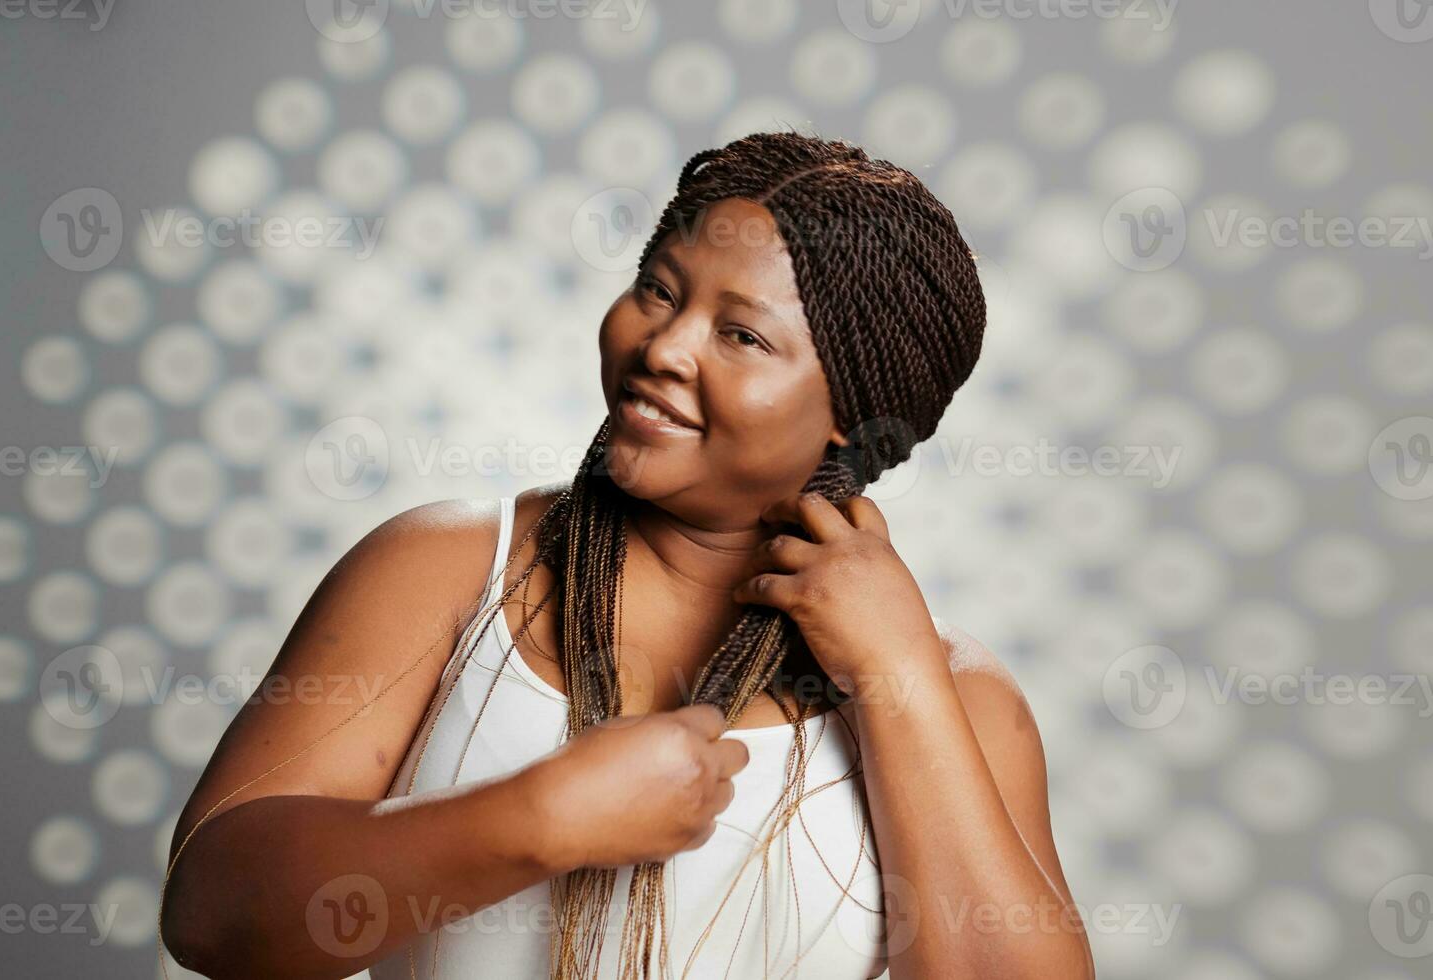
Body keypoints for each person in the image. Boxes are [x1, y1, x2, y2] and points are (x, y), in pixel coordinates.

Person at [159, 132, 1093, 980]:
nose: (665, 347)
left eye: (741, 334)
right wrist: (538, 818)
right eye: (659, 288)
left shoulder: (959, 696)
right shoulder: (443, 572)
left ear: (852, 412)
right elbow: (212, 912)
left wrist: (898, 673)